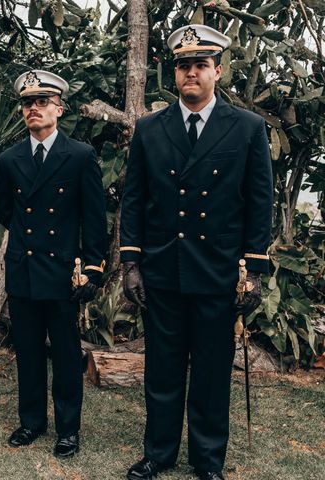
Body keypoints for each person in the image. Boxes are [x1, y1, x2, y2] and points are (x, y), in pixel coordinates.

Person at [120, 25, 273, 480]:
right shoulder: (150, 128)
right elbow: (134, 198)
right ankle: (159, 454)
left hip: (218, 271)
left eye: (200, 65)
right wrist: (131, 262)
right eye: (184, 66)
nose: (191, 73)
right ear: (176, 73)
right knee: (162, 370)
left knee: (210, 373)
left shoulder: (246, 128)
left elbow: (259, 202)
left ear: (217, 72)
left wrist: (256, 270)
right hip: (164, 268)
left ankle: (208, 461)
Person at [0, 70, 107, 458]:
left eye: (42, 102)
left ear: (59, 108)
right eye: (27, 103)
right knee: (26, 352)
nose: (33, 109)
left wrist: (93, 268)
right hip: (24, 271)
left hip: (63, 273)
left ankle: (68, 429)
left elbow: (94, 220)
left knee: (63, 353)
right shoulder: (9, 159)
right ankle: (30, 422)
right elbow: (4, 211)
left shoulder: (79, 156)